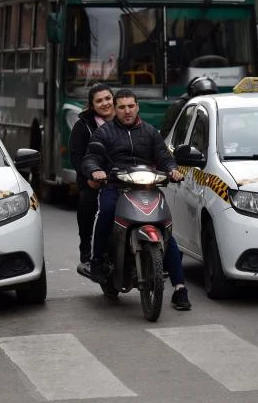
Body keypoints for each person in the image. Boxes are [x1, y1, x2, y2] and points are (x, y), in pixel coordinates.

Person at [81, 89, 191, 311]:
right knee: (106, 211)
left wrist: (173, 170)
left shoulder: (150, 132)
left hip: (147, 187)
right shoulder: (105, 133)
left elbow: (164, 157)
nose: (127, 111)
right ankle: (97, 261)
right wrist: (95, 171)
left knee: (165, 229)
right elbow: (91, 158)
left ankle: (180, 289)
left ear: (137, 106)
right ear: (116, 109)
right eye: (121, 107)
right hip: (116, 186)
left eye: (131, 106)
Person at [69, 83, 114, 265]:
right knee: (87, 202)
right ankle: (86, 246)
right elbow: (77, 157)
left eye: (108, 98)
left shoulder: (125, 119)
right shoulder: (83, 126)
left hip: (122, 177)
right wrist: (91, 175)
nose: (105, 103)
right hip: (91, 179)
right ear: (92, 105)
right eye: (99, 100)